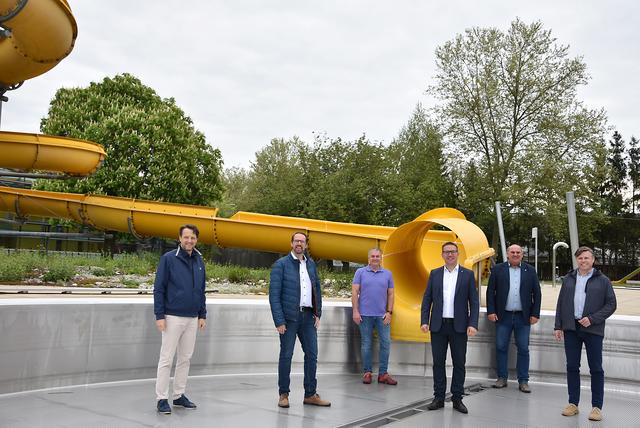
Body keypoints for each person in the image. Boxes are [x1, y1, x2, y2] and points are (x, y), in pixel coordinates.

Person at [269, 232, 331, 408]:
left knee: (312, 355)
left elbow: (317, 290)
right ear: (291, 243)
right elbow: (274, 295)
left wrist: (318, 313)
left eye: (302, 241)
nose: (299, 244)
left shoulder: (311, 265)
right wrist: (279, 321)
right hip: (289, 319)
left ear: (305, 245)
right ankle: (284, 395)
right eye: (296, 241)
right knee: (286, 356)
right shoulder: (280, 265)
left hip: (308, 318)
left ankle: (310, 394)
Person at [554, 246, 616, 422]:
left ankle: (596, 407)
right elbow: (561, 303)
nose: (583, 261)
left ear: (593, 260)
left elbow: (611, 305)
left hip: (593, 329)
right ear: (577, 260)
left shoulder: (603, 280)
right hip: (571, 328)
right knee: (572, 366)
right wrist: (558, 326)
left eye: (586, 258)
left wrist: (593, 319)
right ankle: (573, 404)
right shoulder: (568, 279)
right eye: (580, 258)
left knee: (596, 368)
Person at [153, 224, 207, 414]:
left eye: (192, 238)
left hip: (192, 318)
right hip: (172, 316)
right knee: (166, 359)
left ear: (196, 240)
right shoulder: (169, 259)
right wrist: (159, 315)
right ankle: (161, 398)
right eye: (186, 237)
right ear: (180, 238)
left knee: (185, 358)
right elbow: (159, 288)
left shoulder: (199, 260)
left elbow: (201, 290)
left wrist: (202, 314)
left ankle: (178, 395)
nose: (189, 241)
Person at [420, 241, 479, 414]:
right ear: (442, 254)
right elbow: (427, 299)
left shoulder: (467, 275)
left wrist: (473, 324)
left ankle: (457, 399)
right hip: (438, 326)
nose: (450, 255)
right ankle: (438, 397)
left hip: (459, 327)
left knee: (459, 363)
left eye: (453, 251)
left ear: (458, 253)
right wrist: (424, 321)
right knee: (438, 363)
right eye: (446, 252)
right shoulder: (435, 274)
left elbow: (474, 303)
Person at [486, 244, 542, 392]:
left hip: (523, 317)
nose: (515, 254)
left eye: (518, 252)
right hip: (502, 316)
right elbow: (491, 291)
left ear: (522, 255)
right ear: (507, 254)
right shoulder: (498, 269)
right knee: (501, 347)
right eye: (513, 252)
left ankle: (523, 381)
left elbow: (537, 293)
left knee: (523, 348)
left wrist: (535, 314)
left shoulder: (530, 271)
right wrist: (491, 311)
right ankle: (502, 378)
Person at [351, 248, 397, 385]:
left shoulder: (388, 274)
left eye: (378, 256)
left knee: (386, 343)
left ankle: (383, 374)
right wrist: (355, 311)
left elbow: (391, 294)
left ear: (381, 258)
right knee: (366, 344)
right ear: (368, 258)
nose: (375, 258)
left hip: (382, 316)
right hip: (364, 315)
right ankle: (367, 372)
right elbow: (354, 292)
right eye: (373, 256)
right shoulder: (360, 272)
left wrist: (389, 312)